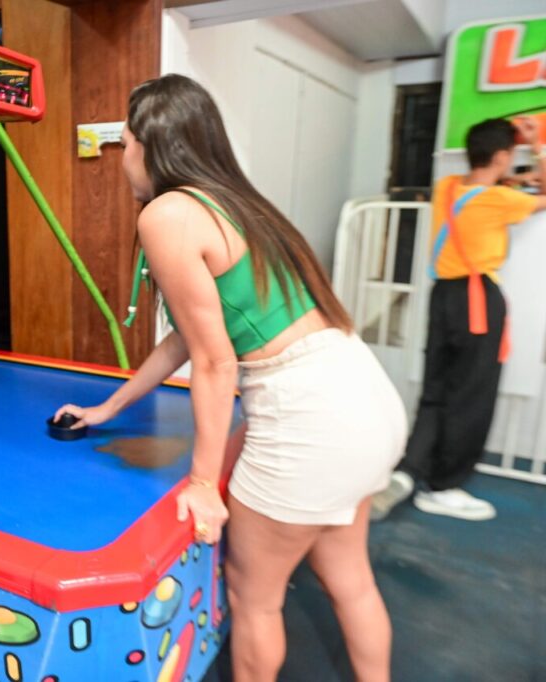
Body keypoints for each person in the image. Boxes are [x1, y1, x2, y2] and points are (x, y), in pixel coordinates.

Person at [53, 74, 405, 682]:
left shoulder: (167, 213)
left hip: (310, 419)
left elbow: (215, 363)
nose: (122, 156)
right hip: (365, 397)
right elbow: (186, 339)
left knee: (254, 598)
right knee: (350, 579)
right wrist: (109, 408)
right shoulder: (239, 203)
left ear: (151, 145)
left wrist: (202, 483)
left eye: (126, 142)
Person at [371, 117, 546, 522]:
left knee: (436, 389)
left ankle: (410, 470)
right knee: (471, 396)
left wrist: (517, 176)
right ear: (501, 157)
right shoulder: (501, 201)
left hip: (443, 298)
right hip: (478, 301)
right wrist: (538, 147)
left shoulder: (448, 187)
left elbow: (501, 183)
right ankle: (444, 487)